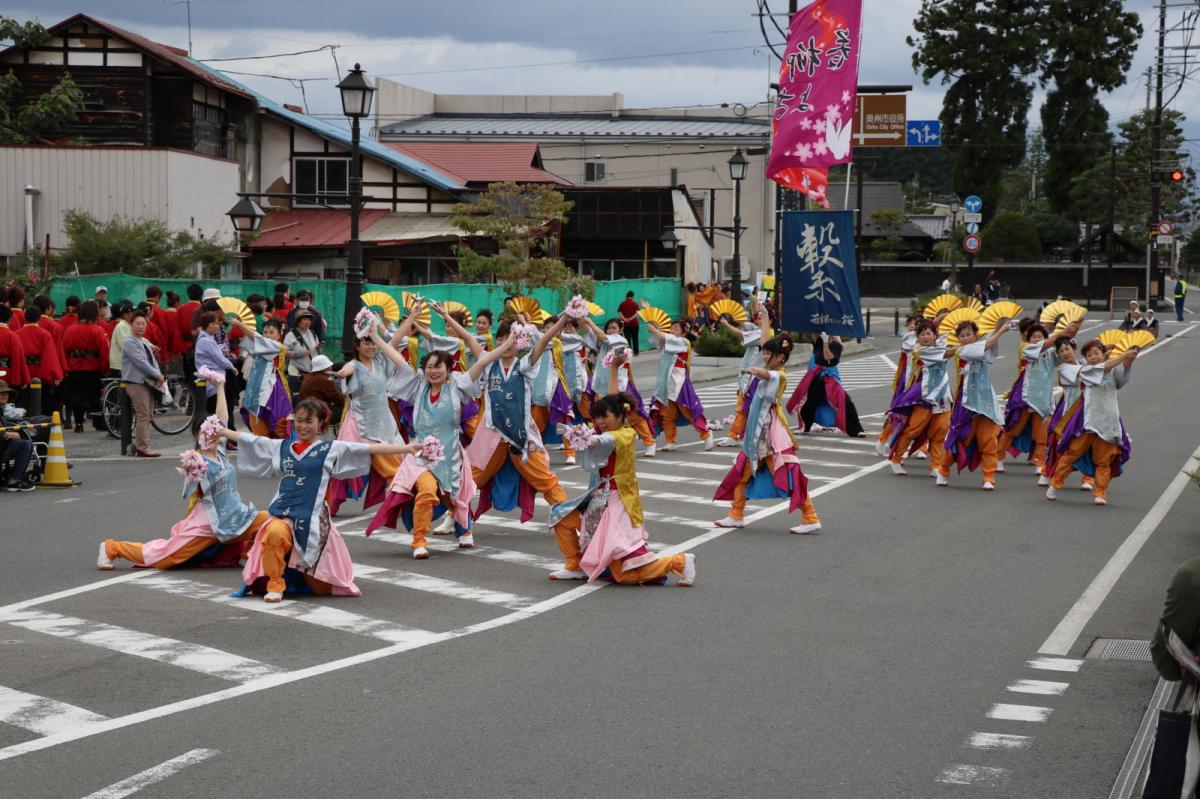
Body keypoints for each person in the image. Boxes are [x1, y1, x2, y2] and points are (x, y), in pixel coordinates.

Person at [222, 398, 414, 602]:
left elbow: (369, 449)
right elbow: (250, 440)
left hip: (313, 517)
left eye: (309, 421)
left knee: (321, 588)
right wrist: (222, 431)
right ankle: (275, 583)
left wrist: (408, 448)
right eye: (299, 420)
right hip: (283, 512)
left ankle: (309, 575)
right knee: (274, 533)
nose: (303, 426)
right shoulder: (281, 447)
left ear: (320, 423)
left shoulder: (330, 448)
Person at [366, 317, 509, 557]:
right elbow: (395, 356)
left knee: (454, 497)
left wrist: (510, 343)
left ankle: (464, 528)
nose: (433, 371)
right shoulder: (417, 385)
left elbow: (484, 360)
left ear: (448, 369)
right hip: (421, 456)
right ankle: (419, 540)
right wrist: (375, 336)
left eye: (438, 366)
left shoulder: (458, 386)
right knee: (426, 491)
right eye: (429, 367)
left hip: (450, 455)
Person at [98, 373, 269, 570]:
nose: (211, 434)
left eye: (214, 430)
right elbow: (191, 484)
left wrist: (220, 387)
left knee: (271, 520)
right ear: (197, 435)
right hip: (209, 522)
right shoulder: (197, 459)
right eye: (205, 432)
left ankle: (249, 554)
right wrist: (191, 468)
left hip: (237, 516)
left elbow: (223, 417)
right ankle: (112, 548)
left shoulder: (220, 449)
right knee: (166, 556)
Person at [548, 391, 696, 585]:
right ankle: (575, 565)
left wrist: (587, 438)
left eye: (605, 416)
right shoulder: (605, 431)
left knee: (624, 573)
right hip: (598, 499)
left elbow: (604, 440)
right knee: (561, 517)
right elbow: (600, 433)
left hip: (618, 502)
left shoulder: (625, 433)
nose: (600, 421)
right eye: (597, 416)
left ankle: (679, 562)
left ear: (620, 416)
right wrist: (577, 431)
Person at [466, 313, 576, 534]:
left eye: (512, 339)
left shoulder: (525, 365)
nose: (506, 343)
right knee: (471, 479)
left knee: (545, 479)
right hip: (493, 434)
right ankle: (461, 524)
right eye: (501, 339)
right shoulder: (488, 364)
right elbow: (468, 339)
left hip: (521, 436)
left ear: (520, 343)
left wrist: (564, 319)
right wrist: (446, 316)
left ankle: (570, 521)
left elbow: (544, 341)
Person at [714, 334, 822, 534]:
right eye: (764, 352)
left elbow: (768, 376)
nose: (764, 356)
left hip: (771, 438)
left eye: (768, 353)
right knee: (741, 473)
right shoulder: (769, 372)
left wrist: (756, 371)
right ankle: (736, 515)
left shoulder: (780, 376)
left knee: (787, 476)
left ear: (780, 357)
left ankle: (810, 517)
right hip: (755, 436)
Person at [329, 315, 405, 516]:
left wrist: (411, 317)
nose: (371, 347)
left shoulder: (380, 362)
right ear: (357, 346)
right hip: (360, 424)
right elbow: (349, 367)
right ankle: (332, 502)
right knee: (345, 466)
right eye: (366, 343)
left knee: (393, 463)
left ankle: (397, 503)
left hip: (383, 422)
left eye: (373, 343)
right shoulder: (354, 365)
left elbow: (396, 340)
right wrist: (344, 372)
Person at [1046, 339, 1137, 505]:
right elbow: (1101, 369)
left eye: (1096, 353)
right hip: (1087, 423)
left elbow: (1122, 380)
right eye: (1089, 355)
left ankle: (1100, 493)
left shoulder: (1110, 368)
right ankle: (1055, 484)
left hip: (1108, 421)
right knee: (1072, 453)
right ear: (1085, 358)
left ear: (1103, 354)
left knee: (1104, 459)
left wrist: (1128, 362)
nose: (1093, 357)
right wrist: (1123, 356)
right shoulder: (1086, 370)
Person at [995, 321, 1077, 479]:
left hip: (1043, 400)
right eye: (1034, 336)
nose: (1037, 339)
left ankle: (1040, 462)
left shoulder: (1051, 353)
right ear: (1029, 339)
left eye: (1040, 336)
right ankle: (998, 458)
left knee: (1041, 436)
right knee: (1013, 430)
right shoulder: (1028, 349)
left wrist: (1071, 332)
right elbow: (1045, 345)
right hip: (1025, 398)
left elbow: (1064, 353)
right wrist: (1060, 333)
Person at [942, 318, 1012, 490]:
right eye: (962, 335)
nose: (966, 337)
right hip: (968, 404)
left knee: (989, 440)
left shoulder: (978, 347)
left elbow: (988, 349)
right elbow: (987, 345)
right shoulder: (963, 351)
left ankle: (989, 477)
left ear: (975, 335)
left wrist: (996, 328)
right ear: (958, 339)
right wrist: (1001, 331)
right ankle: (943, 469)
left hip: (986, 403)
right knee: (962, 439)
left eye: (969, 334)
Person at [883, 320, 953, 479]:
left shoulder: (941, 346)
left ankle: (936, 465)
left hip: (943, 397)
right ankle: (896, 458)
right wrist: (962, 348)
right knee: (913, 430)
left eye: (929, 333)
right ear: (918, 337)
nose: (926, 337)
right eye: (922, 334)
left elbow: (948, 350)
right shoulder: (919, 350)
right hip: (925, 397)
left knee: (940, 431)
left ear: (934, 335)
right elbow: (945, 353)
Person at [577, 316, 656, 455]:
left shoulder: (621, 341)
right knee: (601, 416)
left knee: (632, 416)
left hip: (619, 385)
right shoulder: (602, 342)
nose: (610, 330)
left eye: (614, 328)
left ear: (620, 330)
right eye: (608, 328)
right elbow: (592, 335)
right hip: (601, 385)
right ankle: (605, 443)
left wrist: (589, 321)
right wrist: (583, 321)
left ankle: (649, 441)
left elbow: (603, 337)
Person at [645, 316, 713, 451]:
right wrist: (654, 326)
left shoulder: (683, 341)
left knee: (688, 411)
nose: (672, 329)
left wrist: (654, 330)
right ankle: (670, 440)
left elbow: (665, 337)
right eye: (671, 327)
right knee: (666, 414)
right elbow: (660, 339)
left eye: (676, 328)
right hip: (665, 382)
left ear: (683, 332)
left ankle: (706, 434)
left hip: (678, 381)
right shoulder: (668, 341)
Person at [786, 333, 865, 437]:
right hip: (817, 376)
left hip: (831, 378)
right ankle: (806, 426)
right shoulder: (819, 342)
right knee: (810, 403)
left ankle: (856, 430)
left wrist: (826, 342)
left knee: (845, 401)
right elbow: (814, 335)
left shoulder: (837, 345)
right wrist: (818, 332)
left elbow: (828, 358)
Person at [716, 305, 772, 447]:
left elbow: (741, 334)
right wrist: (736, 318)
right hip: (751, 376)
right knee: (748, 409)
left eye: (762, 317)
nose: (758, 319)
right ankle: (746, 435)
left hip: (754, 378)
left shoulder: (764, 334)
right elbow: (744, 325)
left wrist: (726, 324)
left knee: (743, 408)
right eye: (758, 316)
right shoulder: (757, 329)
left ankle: (734, 435)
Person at [229, 316, 291, 438]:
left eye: (272, 332)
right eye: (265, 332)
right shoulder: (264, 346)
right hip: (256, 387)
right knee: (256, 420)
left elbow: (257, 339)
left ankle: (276, 445)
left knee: (277, 421)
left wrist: (241, 326)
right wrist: (244, 329)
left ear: (279, 335)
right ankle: (262, 443)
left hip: (272, 388)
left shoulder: (276, 346)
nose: (267, 335)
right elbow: (253, 342)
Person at [120, 310, 165, 458]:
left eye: (143, 324)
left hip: (147, 381)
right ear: (131, 324)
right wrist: (157, 375)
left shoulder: (143, 340)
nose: (141, 326)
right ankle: (143, 447)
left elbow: (150, 358)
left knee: (148, 414)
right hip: (136, 381)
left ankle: (142, 445)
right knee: (143, 414)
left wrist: (157, 375)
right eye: (137, 323)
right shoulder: (129, 341)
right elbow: (140, 362)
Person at [60, 300, 108, 432]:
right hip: (93, 368)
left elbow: (64, 349)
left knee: (77, 396)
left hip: (74, 367)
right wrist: (104, 369)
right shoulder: (97, 330)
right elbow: (104, 352)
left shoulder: (70, 329)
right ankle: (98, 422)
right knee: (95, 396)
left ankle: (79, 424)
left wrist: (66, 367)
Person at [0, 379, 36, 491]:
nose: (4, 395)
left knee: (26, 443)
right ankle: (14, 480)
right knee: (25, 445)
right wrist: (7, 433)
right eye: (1, 393)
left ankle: (14, 477)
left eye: (6, 393)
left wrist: (8, 432)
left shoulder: (2, 410)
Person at [16, 304, 63, 389]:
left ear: (25, 317)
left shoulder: (17, 334)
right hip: (40, 372)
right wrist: (55, 375)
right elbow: (50, 357)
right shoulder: (45, 334)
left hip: (22, 371)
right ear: (39, 318)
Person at [284, 311, 320, 396]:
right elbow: (284, 351)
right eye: (304, 319)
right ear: (298, 321)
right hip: (296, 372)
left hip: (311, 372)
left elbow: (316, 348)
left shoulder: (313, 333)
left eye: (309, 320)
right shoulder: (291, 335)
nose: (308, 322)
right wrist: (298, 354)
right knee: (296, 396)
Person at [107, 300, 134, 375]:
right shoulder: (121, 326)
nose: (131, 315)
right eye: (128, 313)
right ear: (124, 315)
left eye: (133, 312)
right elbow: (126, 346)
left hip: (125, 365)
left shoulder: (130, 325)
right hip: (119, 366)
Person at [617, 291, 641, 356]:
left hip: (626, 324)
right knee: (635, 338)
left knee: (627, 339)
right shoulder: (635, 303)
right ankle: (636, 352)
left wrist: (624, 319)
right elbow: (637, 312)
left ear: (626, 296)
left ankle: (629, 352)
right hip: (634, 324)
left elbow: (620, 312)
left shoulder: (622, 303)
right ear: (632, 296)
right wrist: (631, 318)